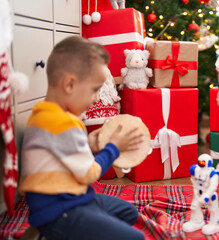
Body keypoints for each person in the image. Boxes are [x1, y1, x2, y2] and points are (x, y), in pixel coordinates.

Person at [18, 36, 145, 240]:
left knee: (128, 212)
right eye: (95, 90)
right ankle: (51, 232)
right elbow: (89, 174)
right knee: (135, 238)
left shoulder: (42, 112)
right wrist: (112, 148)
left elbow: (59, 153)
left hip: (72, 197)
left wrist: (89, 145)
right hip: (60, 212)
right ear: (69, 85)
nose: (96, 98)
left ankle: (83, 226)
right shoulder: (64, 124)